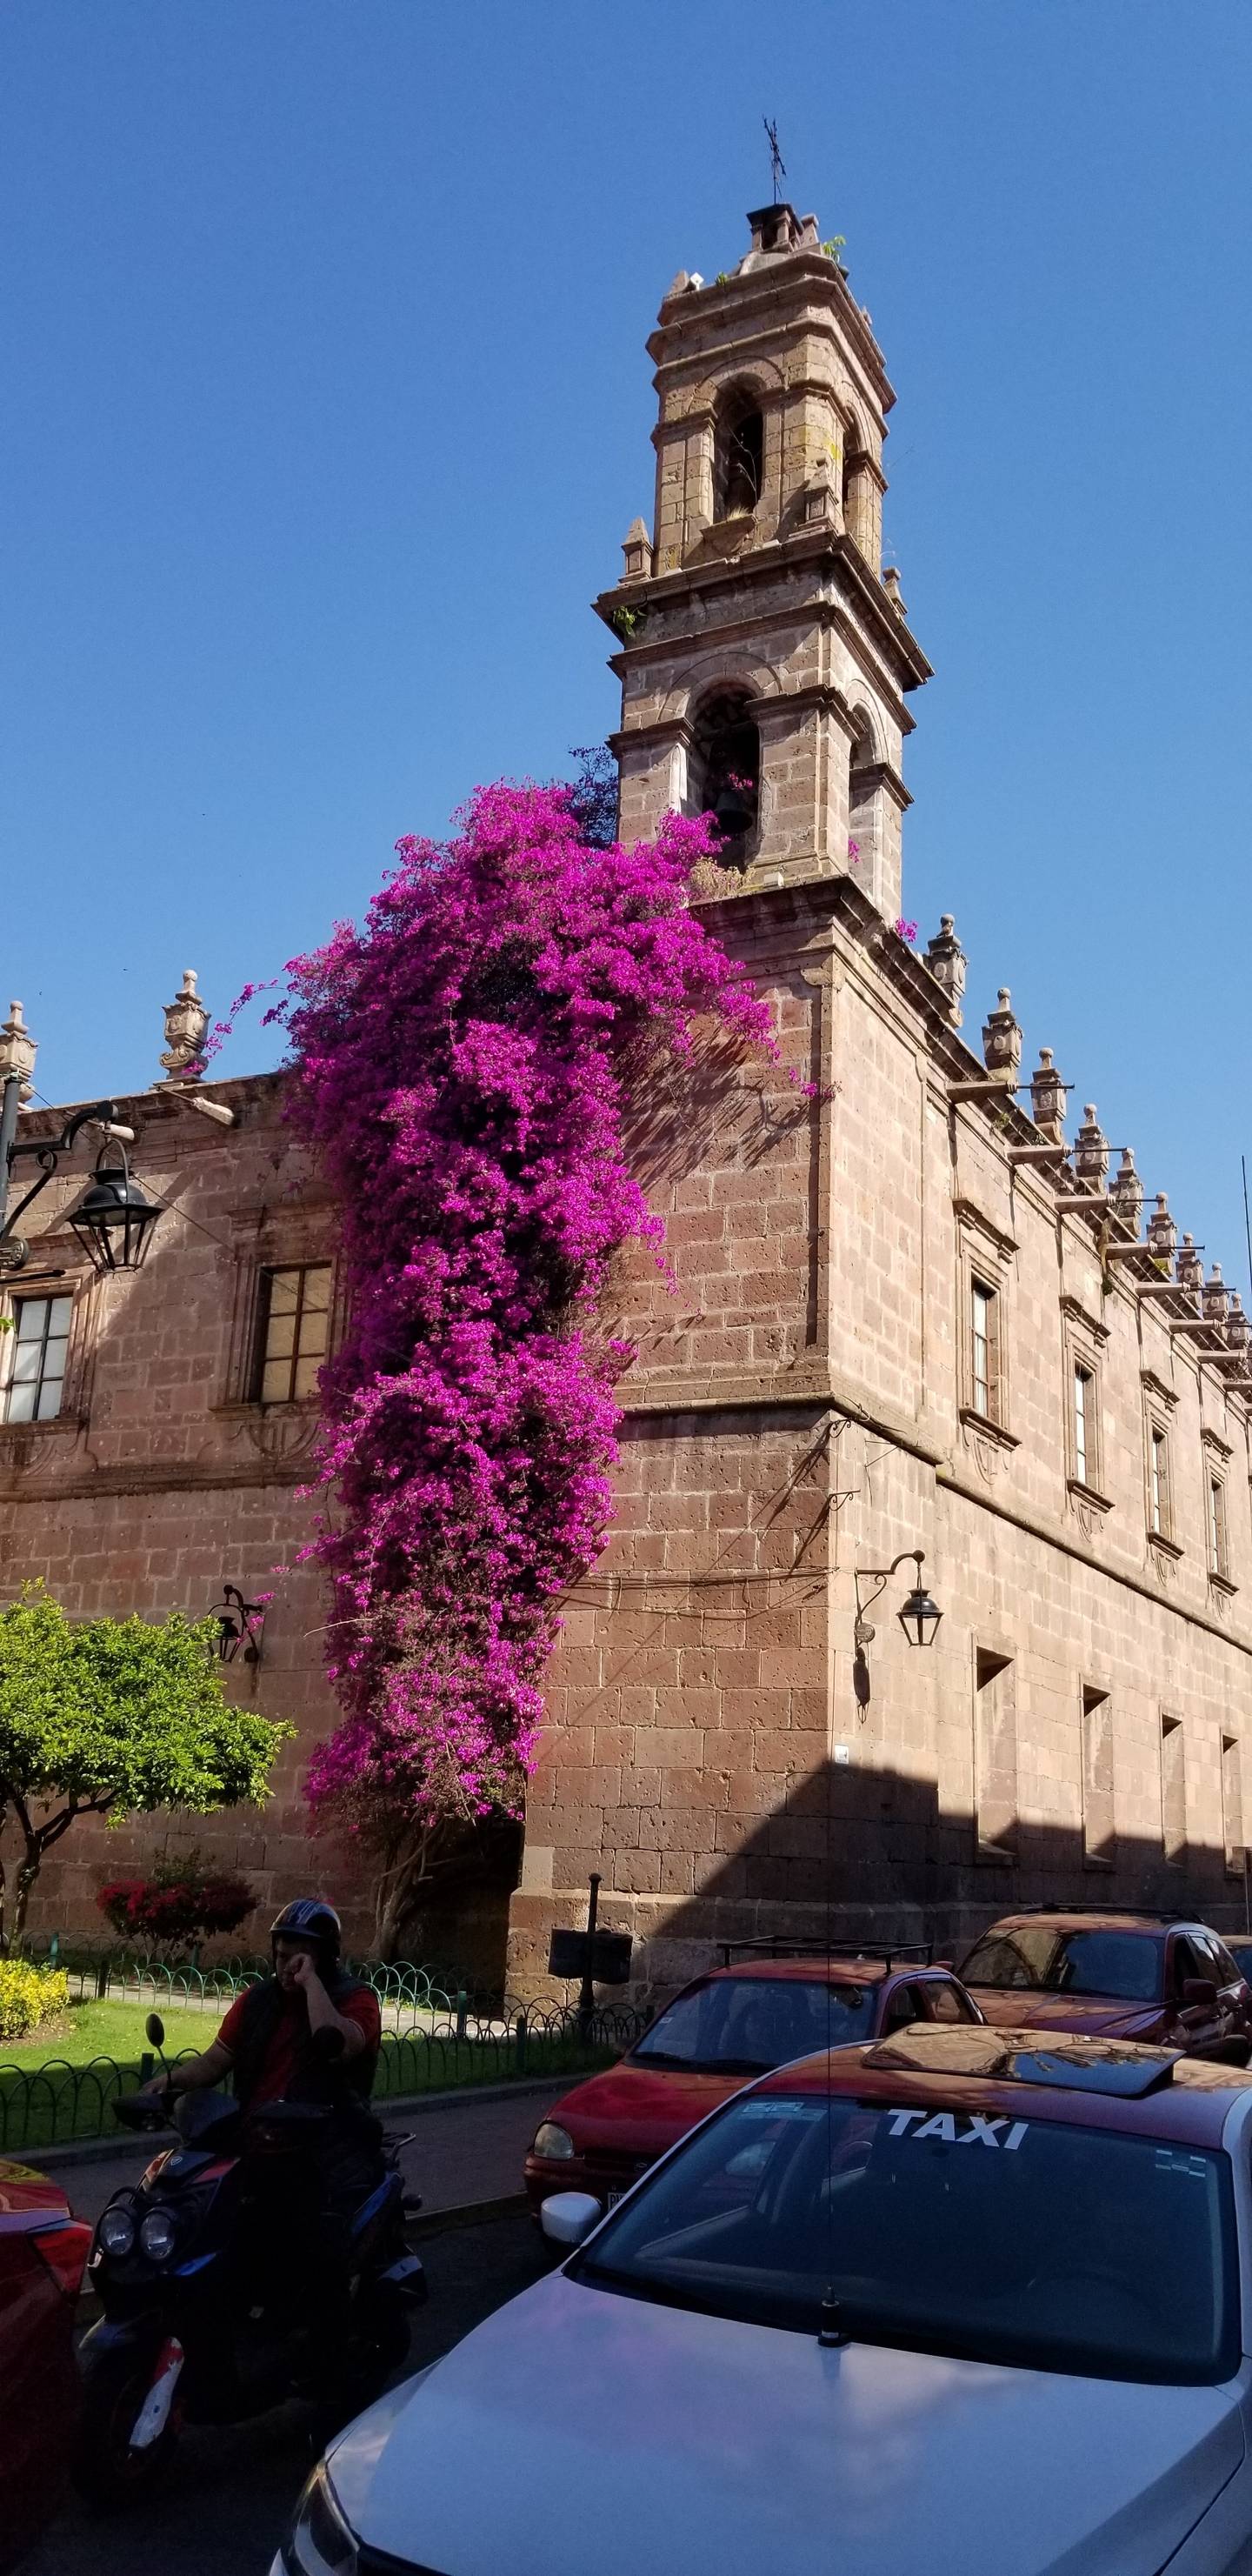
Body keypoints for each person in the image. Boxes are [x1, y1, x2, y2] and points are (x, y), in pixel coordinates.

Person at [144, 1899, 386, 2339]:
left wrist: (311, 1984)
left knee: (317, 2246)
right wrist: (170, 2082)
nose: (285, 1964)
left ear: (324, 1956)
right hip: (258, 2142)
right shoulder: (257, 2001)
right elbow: (216, 2061)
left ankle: (327, 2349)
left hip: (327, 2148)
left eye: (298, 1956)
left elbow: (337, 2043)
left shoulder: (355, 1999)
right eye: (280, 1954)